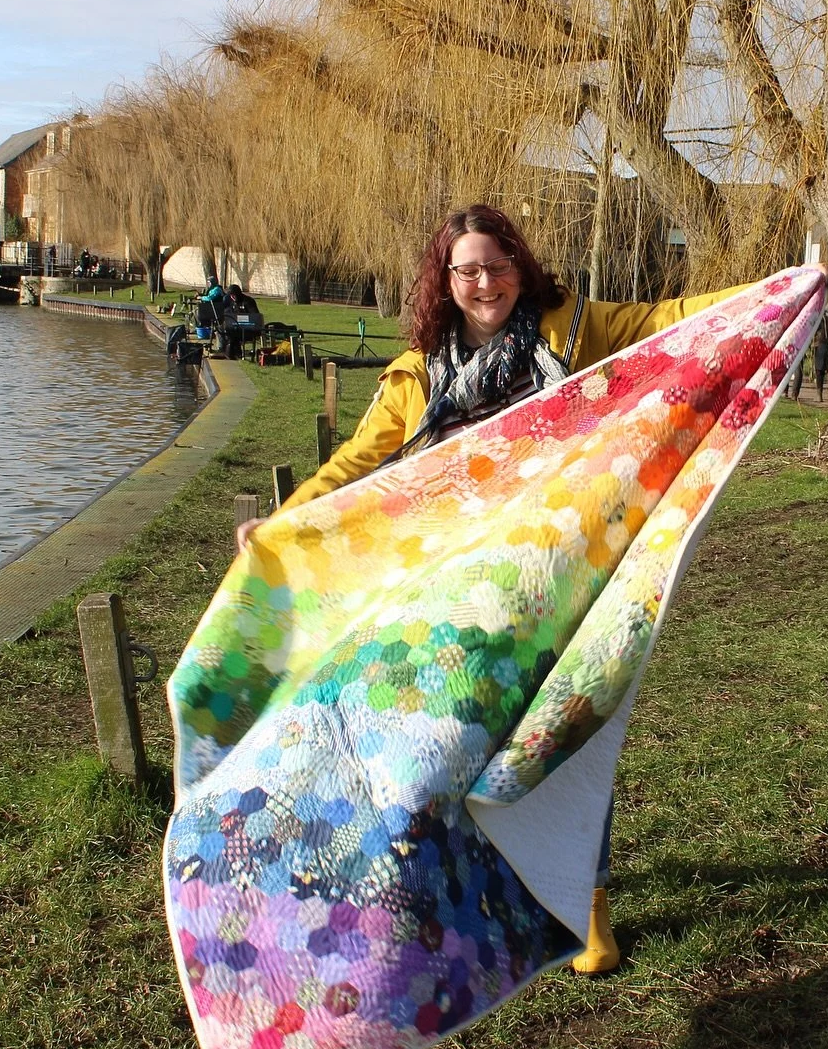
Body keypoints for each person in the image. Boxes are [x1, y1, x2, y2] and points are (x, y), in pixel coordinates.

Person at [244, 204, 760, 975]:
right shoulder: (417, 374)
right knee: (459, 743)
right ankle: (471, 886)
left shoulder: (574, 330)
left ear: (520, 266)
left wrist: (768, 294)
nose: (485, 283)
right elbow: (358, 459)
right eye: (468, 270)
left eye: (498, 265)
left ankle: (586, 903)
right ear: (445, 279)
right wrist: (287, 519)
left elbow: (668, 319)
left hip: (561, 581)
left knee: (566, 736)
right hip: (457, 592)